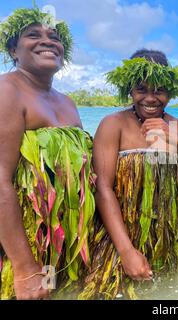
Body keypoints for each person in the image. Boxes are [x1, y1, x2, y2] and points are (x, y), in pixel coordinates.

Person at [79, 49, 178, 300]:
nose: (151, 98)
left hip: (172, 233)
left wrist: (175, 138)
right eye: (141, 89)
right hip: (124, 235)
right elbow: (103, 189)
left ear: (170, 91)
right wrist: (126, 251)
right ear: (130, 90)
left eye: (159, 90)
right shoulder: (114, 124)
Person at [0, 7, 96, 300]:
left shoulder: (67, 102)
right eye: (33, 35)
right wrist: (25, 268)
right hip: (30, 238)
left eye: (54, 37)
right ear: (13, 49)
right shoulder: (7, 91)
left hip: (67, 239)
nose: (47, 41)